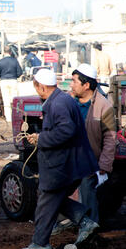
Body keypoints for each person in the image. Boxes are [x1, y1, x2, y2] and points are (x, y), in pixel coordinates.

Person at [21, 69, 100, 249]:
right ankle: (85, 221)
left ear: (40, 87)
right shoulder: (62, 100)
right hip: (70, 163)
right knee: (51, 198)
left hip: (62, 165)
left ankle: (40, 243)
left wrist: (41, 139)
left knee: (46, 199)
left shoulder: (58, 104)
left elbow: (66, 131)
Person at [52, 64, 117, 235]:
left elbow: (110, 138)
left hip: (90, 160)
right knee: (52, 187)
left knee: (88, 186)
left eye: (74, 81)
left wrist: (104, 165)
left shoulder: (104, 107)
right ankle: (67, 221)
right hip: (68, 157)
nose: (71, 85)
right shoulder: (68, 102)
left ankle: (91, 229)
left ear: (86, 85)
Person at [0, 45, 23, 122]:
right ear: (10, 52)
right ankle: (16, 116)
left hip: (4, 81)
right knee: (14, 100)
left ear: (3, 52)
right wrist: (15, 75)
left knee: (6, 100)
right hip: (13, 81)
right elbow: (20, 72)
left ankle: (9, 118)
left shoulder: (0, 62)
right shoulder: (15, 61)